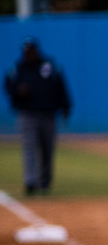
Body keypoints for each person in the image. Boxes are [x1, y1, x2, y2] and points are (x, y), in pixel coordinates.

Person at [4, 37, 72, 197]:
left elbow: (61, 87)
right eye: (26, 51)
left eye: (31, 50)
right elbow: (7, 85)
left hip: (48, 114)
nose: (29, 54)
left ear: (37, 50)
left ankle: (44, 182)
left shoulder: (50, 66)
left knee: (47, 150)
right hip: (27, 114)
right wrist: (17, 92)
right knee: (30, 148)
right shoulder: (17, 68)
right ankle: (30, 182)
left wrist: (66, 106)